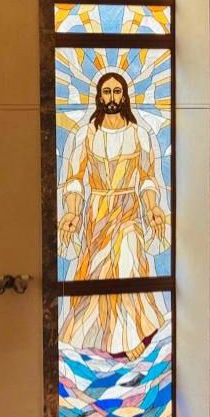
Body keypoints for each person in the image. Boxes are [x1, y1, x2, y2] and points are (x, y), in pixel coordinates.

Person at [58, 72, 170, 280]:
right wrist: (72, 211)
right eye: (107, 92)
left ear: (124, 97)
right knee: (96, 273)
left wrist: (152, 207)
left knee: (130, 262)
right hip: (97, 213)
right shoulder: (86, 134)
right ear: (100, 97)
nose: (112, 97)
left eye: (117, 92)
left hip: (128, 211)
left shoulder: (138, 134)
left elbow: (147, 177)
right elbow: (75, 178)